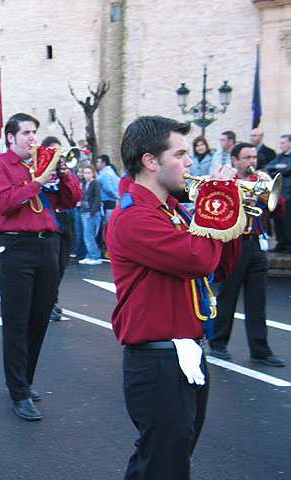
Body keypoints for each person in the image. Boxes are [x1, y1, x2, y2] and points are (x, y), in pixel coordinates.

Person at [105, 115, 242, 480]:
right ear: (150, 161)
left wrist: (231, 208)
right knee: (165, 465)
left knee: (160, 460)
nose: (189, 163)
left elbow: (222, 265)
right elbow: (197, 258)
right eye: (180, 154)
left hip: (185, 353)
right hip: (158, 362)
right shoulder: (133, 217)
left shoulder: (174, 211)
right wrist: (216, 201)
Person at [0, 113, 80, 421]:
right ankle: (18, 391)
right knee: (17, 318)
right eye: (26, 133)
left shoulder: (43, 163)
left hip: (47, 244)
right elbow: (2, 202)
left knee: (40, 316)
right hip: (16, 246)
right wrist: (36, 182)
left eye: (34, 132)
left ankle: (24, 379)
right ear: (11, 137)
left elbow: (71, 200)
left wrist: (64, 175)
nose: (32, 138)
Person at [207, 142, 286, 367]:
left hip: (256, 246)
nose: (253, 161)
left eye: (254, 157)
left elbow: (278, 210)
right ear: (235, 161)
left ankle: (260, 349)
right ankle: (218, 343)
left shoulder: (260, 180)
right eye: (247, 157)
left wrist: (269, 189)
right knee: (227, 296)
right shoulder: (231, 182)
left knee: (257, 301)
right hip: (235, 243)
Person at [40, 136, 81, 321]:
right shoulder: (40, 172)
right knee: (52, 267)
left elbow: (74, 197)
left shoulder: (64, 172)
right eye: (55, 151)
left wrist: (65, 175)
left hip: (66, 219)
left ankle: (51, 299)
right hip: (50, 219)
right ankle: (49, 302)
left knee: (62, 265)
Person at [265, 134, 291, 253]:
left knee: (287, 220)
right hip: (279, 192)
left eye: (283, 143)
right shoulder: (280, 157)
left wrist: (277, 169)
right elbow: (269, 167)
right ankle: (280, 243)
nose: (281, 145)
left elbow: (288, 169)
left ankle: (288, 245)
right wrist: (278, 166)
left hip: (288, 193)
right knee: (278, 219)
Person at [79, 164, 102, 265]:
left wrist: (92, 212)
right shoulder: (84, 184)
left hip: (91, 212)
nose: (87, 175)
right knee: (86, 235)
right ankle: (89, 255)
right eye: (85, 173)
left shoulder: (95, 183)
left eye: (89, 173)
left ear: (93, 173)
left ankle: (95, 256)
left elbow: (97, 198)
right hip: (85, 211)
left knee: (89, 235)